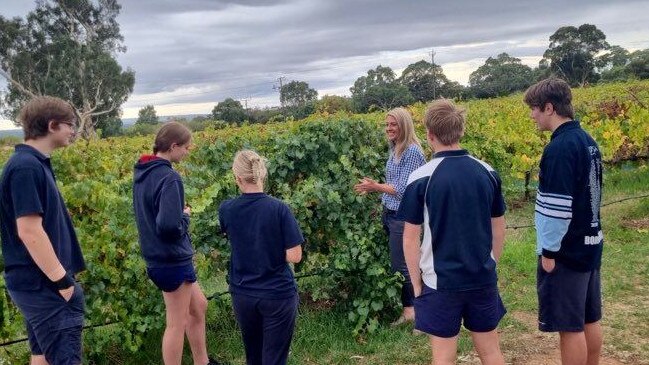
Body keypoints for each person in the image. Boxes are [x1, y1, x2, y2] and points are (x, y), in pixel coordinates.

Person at [399, 99, 507, 365]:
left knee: (444, 358)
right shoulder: (488, 172)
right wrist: (491, 263)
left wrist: (416, 285)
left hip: (440, 282)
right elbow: (498, 226)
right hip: (482, 277)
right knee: (492, 352)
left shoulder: (421, 178)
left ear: (429, 135)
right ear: (461, 130)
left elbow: (410, 238)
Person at [0, 96, 86, 365]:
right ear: (52, 125)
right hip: (43, 285)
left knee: (42, 356)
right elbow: (29, 231)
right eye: (70, 124)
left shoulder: (31, 163)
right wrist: (63, 282)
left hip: (36, 283)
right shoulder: (26, 168)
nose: (73, 131)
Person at [524, 77, 603, 365]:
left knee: (570, 327)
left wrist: (548, 252)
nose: (532, 116)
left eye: (533, 109)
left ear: (549, 107)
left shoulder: (559, 149)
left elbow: (556, 209)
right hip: (590, 243)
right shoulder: (587, 141)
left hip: (566, 252)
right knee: (589, 316)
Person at [132, 122, 219, 365]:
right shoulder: (169, 177)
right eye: (186, 148)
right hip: (171, 259)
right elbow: (169, 227)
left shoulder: (144, 172)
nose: (188, 152)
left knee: (199, 306)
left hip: (158, 256)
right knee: (176, 324)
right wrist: (185, 216)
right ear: (174, 146)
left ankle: (202, 362)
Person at [218, 150, 303, 365]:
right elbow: (295, 255)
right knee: (274, 359)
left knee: (253, 357)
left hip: (243, 294)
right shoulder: (279, 209)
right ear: (262, 174)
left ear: (237, 178)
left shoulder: (227, 209)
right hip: (277, 294)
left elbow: (234, 238)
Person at [353, 107, 426, 325]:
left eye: (393, 124)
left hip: (403, 216)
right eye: (387, 124)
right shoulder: (395, 149)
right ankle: (417, 305)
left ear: (404, 126)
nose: (389, 128)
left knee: (402, 265)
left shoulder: (412, 151)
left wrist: (375, 187)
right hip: (391, 213)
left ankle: (412, 311)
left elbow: (403, 189)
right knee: (404, 262)